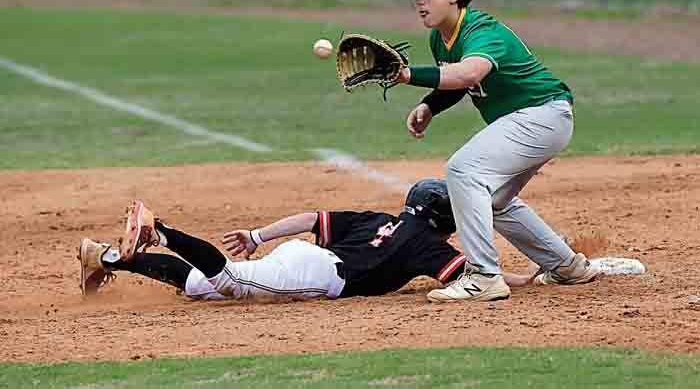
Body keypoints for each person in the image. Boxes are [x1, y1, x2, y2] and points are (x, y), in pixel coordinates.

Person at [392, 0, 598, 303]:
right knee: (493, 199)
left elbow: (470, 73)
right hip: (533, 119)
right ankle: (565, 266)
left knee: (463, 170)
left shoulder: (481, 30)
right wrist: (430, 104)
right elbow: (456, 82)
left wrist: (408, 74)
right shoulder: (440, 38)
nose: (421, 1)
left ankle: (484, 276)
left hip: (541, 114)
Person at [78, 179, 535, 301]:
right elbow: (479, 274)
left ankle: (106, 258)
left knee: (201, 286)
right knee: (230, 281)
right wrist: (528, 280)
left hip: (304, 256)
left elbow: (309, 218)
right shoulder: (428, 246)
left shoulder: (379, 218)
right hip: (317, 274)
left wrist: (258, 235)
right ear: (442, 217)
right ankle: (160, 231)